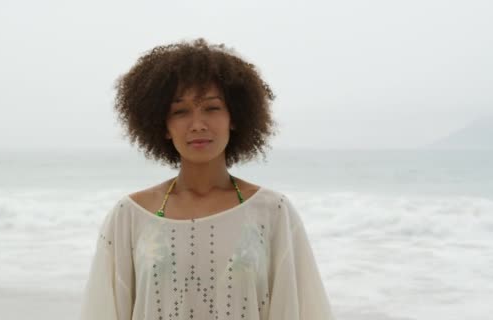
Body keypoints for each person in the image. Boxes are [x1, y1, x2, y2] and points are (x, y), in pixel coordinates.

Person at [80, 38, 335, 320]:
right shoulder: (129, 216)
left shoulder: (273, 212)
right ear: (163, 126)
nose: (198, 124)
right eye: (180, 111)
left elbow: (302, 310)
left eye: (212, 108)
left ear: (234, 117)